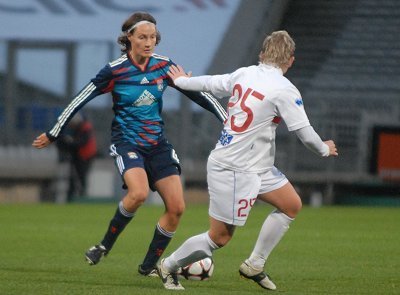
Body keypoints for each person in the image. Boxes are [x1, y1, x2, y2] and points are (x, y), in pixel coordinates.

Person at [32, 11, 226, 277]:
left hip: (157, 145)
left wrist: (228, 121)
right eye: (143, 37)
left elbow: (197, 93)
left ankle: (148, 267)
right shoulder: (114, 70)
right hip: (127, 143)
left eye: (153, 37)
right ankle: (104, 245)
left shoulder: (164, 65)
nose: (148, 42)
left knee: (177, 207)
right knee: (138, 194)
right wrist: (54, 133)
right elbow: (80, 99)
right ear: (129, 38)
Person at [157, 30, 338, 290]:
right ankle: (168, 266)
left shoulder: (245, 73)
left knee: (291, 204)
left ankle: (255, 264)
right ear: (291, 61)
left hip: (258, 166)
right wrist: (324, 149)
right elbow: (304, 133)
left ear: (262, 54)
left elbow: (210, 83)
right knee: (219, 238)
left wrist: (183, 82)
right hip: (234, 167)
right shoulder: (284, 89)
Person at [56, 112, 97, 202]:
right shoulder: (79, 128)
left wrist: (71, 142)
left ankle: (82, 197)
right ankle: (72, 197)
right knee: (74, 178)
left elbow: (81, 143)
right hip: (78, 156)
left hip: (85, 156)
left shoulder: (86, 128)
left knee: (81, 177)